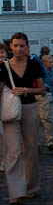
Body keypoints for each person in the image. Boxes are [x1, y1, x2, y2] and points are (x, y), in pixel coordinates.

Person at [0, 32, 45, 205]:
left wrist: (25, 89)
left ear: (27, 47)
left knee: (31, 149)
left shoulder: (34, 64)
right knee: (13, 152)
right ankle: (16, 192)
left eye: (22, 45)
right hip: (10, 111)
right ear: (11, 46)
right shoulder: (4, 66)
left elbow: (41, 89)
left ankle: (31, 187)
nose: (18, 49)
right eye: (15, 45)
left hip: (30, 108)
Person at [0, 44, 7, 172]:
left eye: (3, 53)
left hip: (4, 104)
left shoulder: (7, 67)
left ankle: (3, 161)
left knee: (2, 135)